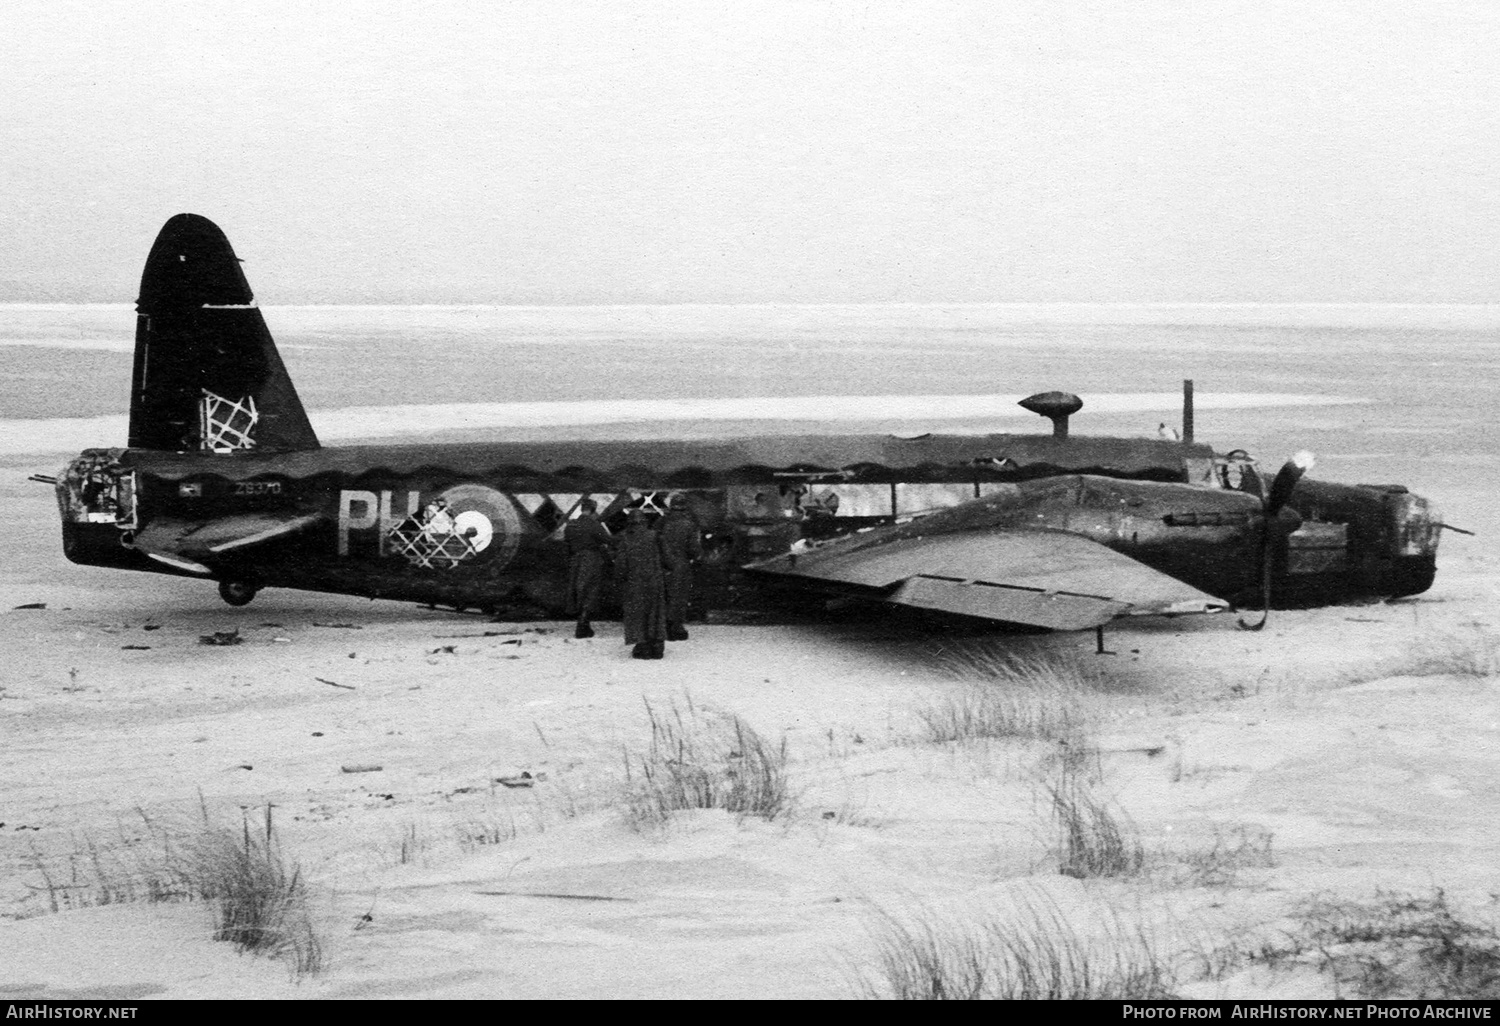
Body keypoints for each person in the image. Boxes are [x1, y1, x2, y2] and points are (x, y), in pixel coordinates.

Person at [616, 508, 667, 659]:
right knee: (656, 612)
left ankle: (643, 645)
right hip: (655, 580)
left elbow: (621, 565)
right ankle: (657, 646)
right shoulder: (655, 536)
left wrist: (619, 579)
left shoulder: (626, 538)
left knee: (638, 613)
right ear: (645, 522)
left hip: (635, 582)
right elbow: (668, 559)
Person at [563, 498, 613, 639]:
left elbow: (567, 542)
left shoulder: (571, 525)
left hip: (575, 560)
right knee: (590, 590)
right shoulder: (593, 525)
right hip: (591, 560)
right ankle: (582, 624)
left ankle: (583, 623)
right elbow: (607, 540)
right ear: (593, 510)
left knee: (577, 590)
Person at [656, 493, 703, 641]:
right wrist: (699, 556)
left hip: (661, 564)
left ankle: (662, 626)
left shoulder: (661, 522)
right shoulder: (689, 524)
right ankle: (676, 627)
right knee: (680, 596)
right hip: (681, 564)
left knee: (664, 596)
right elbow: (693, 548)